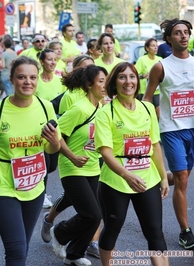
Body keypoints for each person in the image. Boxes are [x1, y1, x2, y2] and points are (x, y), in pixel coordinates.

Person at [0, 56, 61, 265]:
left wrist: (54, 142)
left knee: (22, 247)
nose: (28, 82)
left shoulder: (46, 107)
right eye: (22, 77)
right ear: (12, 79)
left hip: (35, 185)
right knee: (16, 250)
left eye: (33, 77)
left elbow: (53, 148)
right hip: (4, 185)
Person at [95, 62, 169, 265]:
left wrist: (163, 177)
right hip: (115, 182)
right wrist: (127, 175)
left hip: (148, 179)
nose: (128, 81)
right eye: (122, 77)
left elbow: (155, 146)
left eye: (132, 76)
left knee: (155, 232)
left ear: (138, 80)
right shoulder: (105, 112)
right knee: (112, 230)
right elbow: (105, 152)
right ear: (114, 82)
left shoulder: (147, 109)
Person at [144, 18, 194, 250]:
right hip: (172, 129)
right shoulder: (161, 67)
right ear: (168, 39)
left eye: (186, 32)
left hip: (193, 128)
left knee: (182, 176)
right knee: (182, 177)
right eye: (178, 33)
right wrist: (143, 126)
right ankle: (185, 230)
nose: (183, 36)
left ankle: (159, 180)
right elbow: (147, 98)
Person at [50, 65, 107, 266]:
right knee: (92, 214)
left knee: (94, 215)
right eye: (101, 81)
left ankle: (74, 254)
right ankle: (59, 232)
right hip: (72, 167)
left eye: (105, 81)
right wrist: (73, 156)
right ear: (88, 84)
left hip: (93, 167)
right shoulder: (79, 108)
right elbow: (56, 135)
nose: (105, 85)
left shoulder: (100, 107)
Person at [35, 48, 64, 209]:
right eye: (49, 59)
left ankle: (37, 186)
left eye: (55, 59)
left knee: (52, 165)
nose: (53, 62)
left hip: (55, 128)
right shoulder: (36, 81)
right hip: (38, 128)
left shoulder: (60, 80)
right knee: (45, 163)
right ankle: (42, 194)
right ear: (42, 62)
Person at [135, 38, 162, 118]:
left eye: (156, 46)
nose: (155, 48)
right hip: (144, 91)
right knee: (147, 115)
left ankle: (158, 130)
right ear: (147, 48)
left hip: (158, 91)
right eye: (153, 46)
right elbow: (135, 75)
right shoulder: (142, 60)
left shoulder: (160, 59)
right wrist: (143, 76)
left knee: (159, 115)